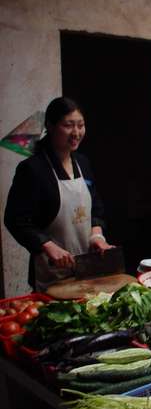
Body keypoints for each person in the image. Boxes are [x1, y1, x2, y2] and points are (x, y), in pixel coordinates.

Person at [4, 97, 112, 291]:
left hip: (88, 269)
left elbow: (96, 209)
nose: (76, 133)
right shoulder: (32, 169)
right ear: (51, 126)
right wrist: (47, 245)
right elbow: (15, 219)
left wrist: (97, 237)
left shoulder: (83, 163)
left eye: (81, 125)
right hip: (52, 272)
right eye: (68, 125)